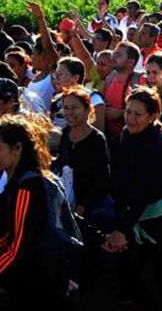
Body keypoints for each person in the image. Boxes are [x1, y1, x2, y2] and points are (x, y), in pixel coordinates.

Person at [105, 87, 162, 310]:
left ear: (152, 117)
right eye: (128, 112)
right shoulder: (127, 135)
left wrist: (122, 228)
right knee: (130, 271)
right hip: (139, 214)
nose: (130, 118)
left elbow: (143, 193)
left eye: (137, 114)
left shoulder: (156, 147)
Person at [0, 113, 84, 309]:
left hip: (35, 281)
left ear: (17, 148)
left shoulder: (27, 188)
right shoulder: (17, 179)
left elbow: (17, 248)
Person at [54, 86, 114, 230]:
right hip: (69, 204)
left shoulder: (97, 140)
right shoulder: (65, 133)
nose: (69, 112)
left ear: (87, 110)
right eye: (66, 108)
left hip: (92, 210)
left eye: (74, 107)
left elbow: (102, 180)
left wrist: (81, 208)